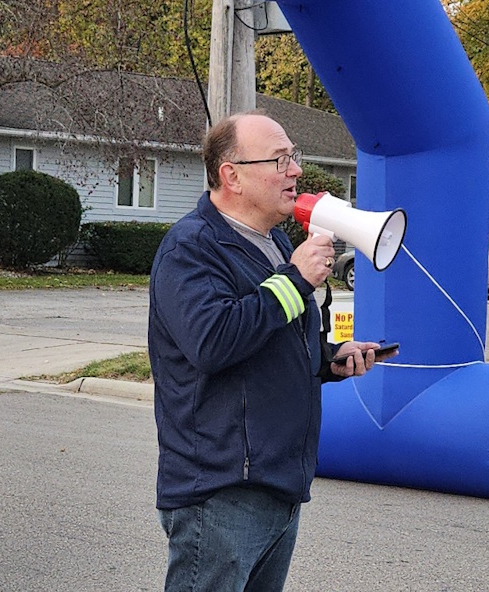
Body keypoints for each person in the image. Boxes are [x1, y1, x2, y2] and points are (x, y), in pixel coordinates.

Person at [148, 111, 392, 592]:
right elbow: (214, 342)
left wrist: (327, 358)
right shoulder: (191, 249)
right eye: (279, 160)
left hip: (277, 483)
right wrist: (296, 279)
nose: (296, 171)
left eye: (293, 158)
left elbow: (267, 337)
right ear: (231, 175)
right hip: (221, 490)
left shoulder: (275, 242)